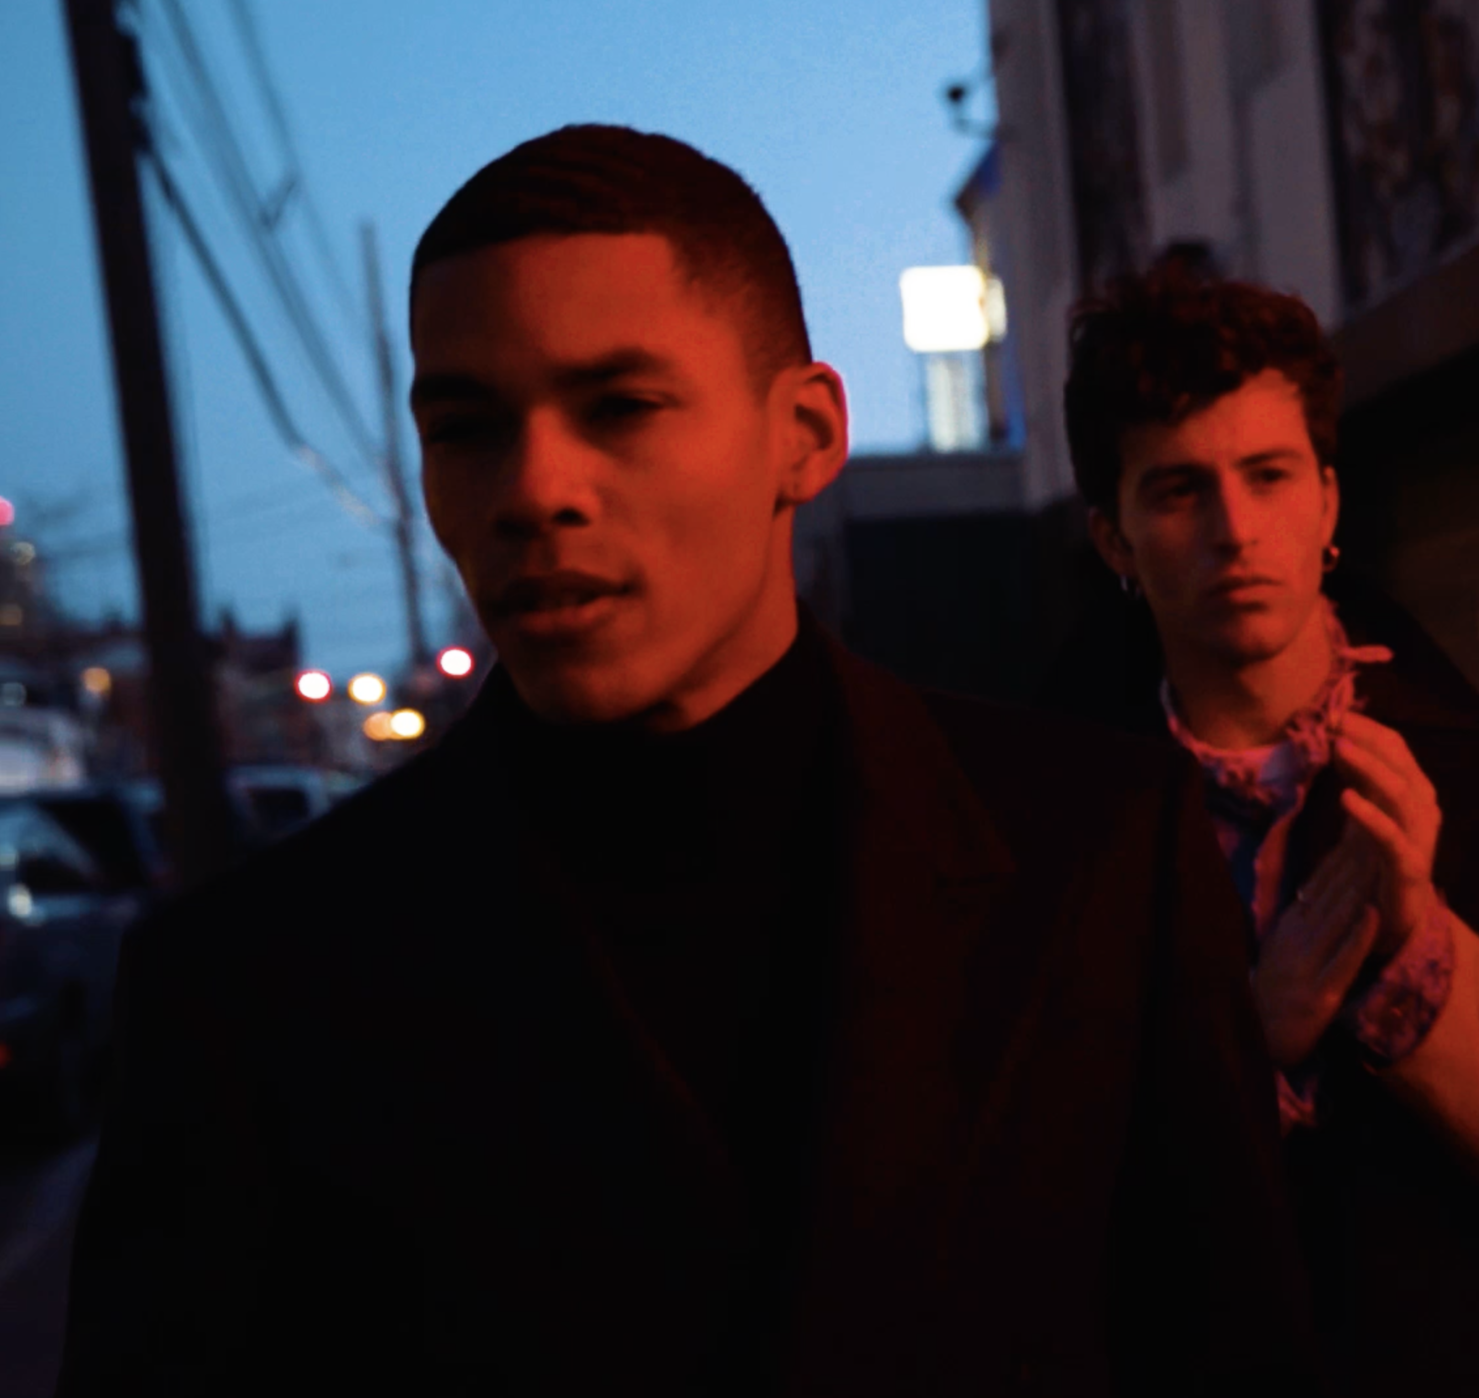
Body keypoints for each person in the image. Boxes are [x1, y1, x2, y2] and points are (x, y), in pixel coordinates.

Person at [59, 127, 1314, 1396]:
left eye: (620, 406)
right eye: (469, 427)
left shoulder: (1096, 853)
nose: (534, 488)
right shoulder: (248, 985)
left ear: (805, 433)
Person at [1050, 266, 1479, 1397]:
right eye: (1179, 490)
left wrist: (1420, 950)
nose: (1235, 530)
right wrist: (1249, 1049)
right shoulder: (1059, 820)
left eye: (1268, 475)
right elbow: (1037, 1220)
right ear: (1115, 541)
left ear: (1327, 502)